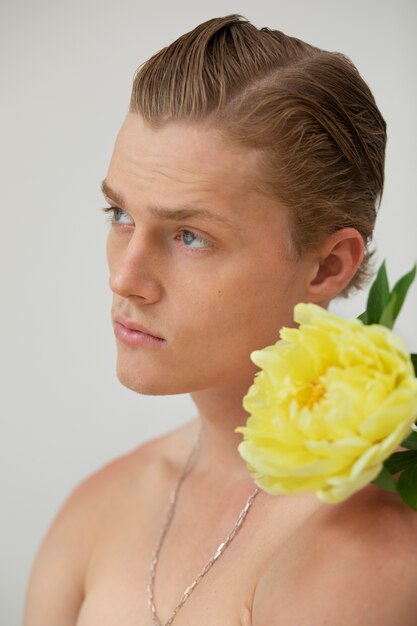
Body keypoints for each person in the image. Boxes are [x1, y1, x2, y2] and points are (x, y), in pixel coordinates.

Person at [23, 14, 417, 626]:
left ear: (328, 265)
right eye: (119, 214)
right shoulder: (97, 510)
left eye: (190, 236)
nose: (125, 278)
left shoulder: (371, 541)